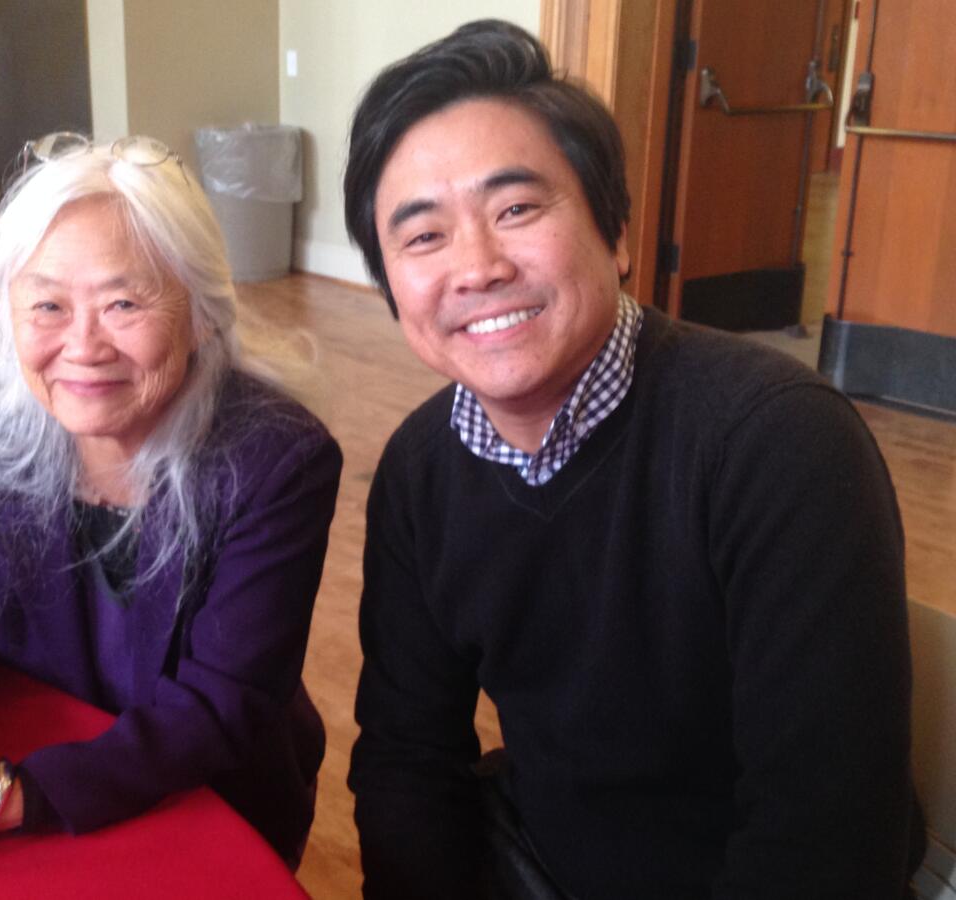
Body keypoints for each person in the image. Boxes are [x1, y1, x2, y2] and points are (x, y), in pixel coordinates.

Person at [344, 19, 922, 900]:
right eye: (423, 238)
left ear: (615, 231)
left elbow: (825, 838)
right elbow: (405, 759)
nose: (478, 266)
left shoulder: (778, 445)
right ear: (392, 291)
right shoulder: (422, 471)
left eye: (517, 209)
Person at [0, 133, 342, 866]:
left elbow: (220, 711)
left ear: (200, 314)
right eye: (47, 305)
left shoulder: (275, 462)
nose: (83, 346)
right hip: (35, 755)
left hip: (209, 795)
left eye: (123, 302)